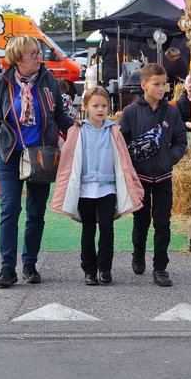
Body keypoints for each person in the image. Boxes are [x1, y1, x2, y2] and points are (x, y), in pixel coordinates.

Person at [0, 34, 74, 288]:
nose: (39, 56)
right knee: (10, 209)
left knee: (36, 213)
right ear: (17, 59)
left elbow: (60, 116)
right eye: (33, 53)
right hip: (10, 155)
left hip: (41, 156)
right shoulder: (2, 83)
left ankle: (30, 264)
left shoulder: (48, 82)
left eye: (38, 51)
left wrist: (79, 131)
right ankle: (7, 268)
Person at [51, 86, 143, 285]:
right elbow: (68, 161)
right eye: (95, 105)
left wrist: (132, 186)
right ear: (85, 107)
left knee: (107, 229)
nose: (100, 110)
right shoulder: (77, 131)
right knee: (88, 230)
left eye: (104, 105)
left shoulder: (114, 131)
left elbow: (124, 162)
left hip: (107, 188)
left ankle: (105, 268)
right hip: (85, 189)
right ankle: (89, 270)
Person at [119, 63, 187, 287]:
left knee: (162, 222)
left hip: (163, 177)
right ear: (144, 85)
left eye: (164, 83)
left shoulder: (172, 112)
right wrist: (132, 160)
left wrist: (169, 159)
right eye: (156, 84)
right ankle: (138, 254)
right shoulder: (130, 113)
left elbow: (180, 142)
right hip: (140, 178)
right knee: (140, 221)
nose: (162, 88)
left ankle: (160, 267)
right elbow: (122, 143)